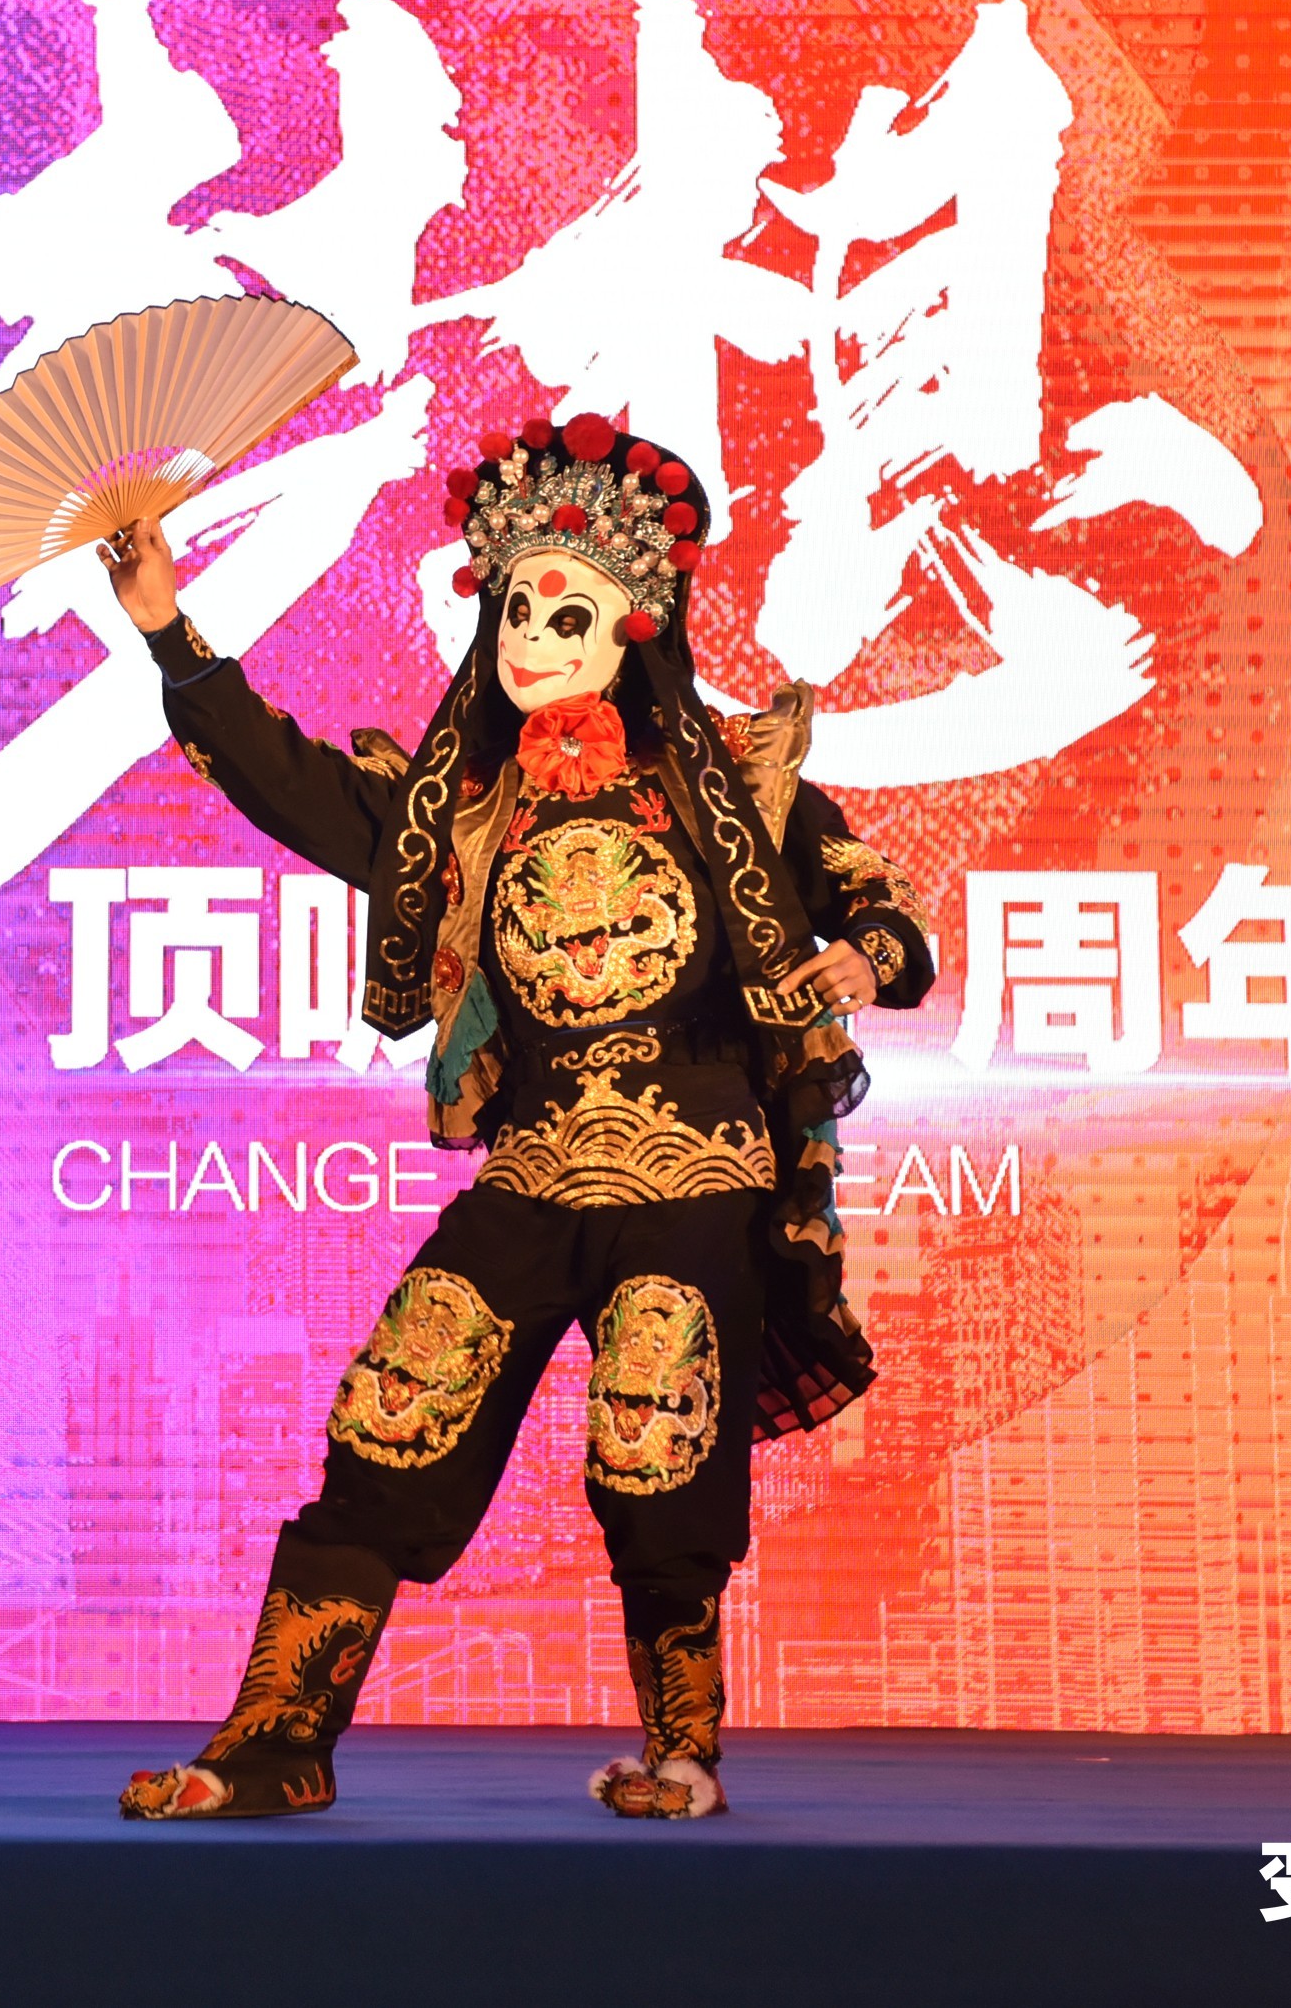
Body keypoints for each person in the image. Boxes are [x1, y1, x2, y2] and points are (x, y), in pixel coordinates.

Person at [103, 411, 935, 1820]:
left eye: (567, 613)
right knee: (393, 1413)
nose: (532, 637)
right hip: (538, 1168)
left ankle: (683, 1752)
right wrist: (169, 632)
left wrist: (861, 957)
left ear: (635, 630)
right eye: (514, 610)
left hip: (699, 1169)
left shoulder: (745, 785)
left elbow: (884, 907)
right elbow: (293, 783)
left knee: (656, 1440)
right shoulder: (464, 808)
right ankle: (275, 1740)